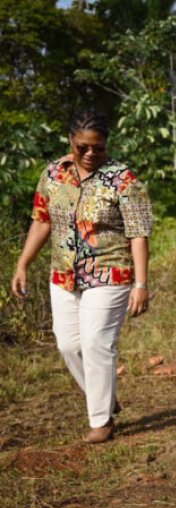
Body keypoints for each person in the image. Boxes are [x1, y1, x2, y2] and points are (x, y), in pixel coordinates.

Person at [11, 109, 153, 444]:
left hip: (110, 271)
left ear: (107, 145)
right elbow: (42, 220)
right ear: (70, 142)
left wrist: (141, 284)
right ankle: (102, 395)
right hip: (63, 274)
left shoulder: (124, 180)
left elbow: (138, 234)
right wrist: (23, 263)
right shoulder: (53, 174)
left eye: (98, 148)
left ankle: (101, 421)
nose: (90, 154)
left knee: (95, 343)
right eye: (82, 147)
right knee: (68, 344)